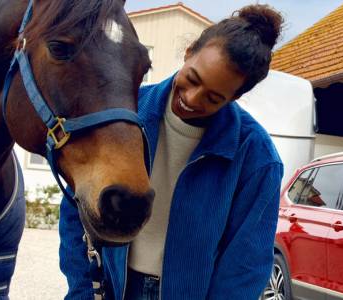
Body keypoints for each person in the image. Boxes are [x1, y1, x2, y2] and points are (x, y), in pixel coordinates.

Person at [59, 4, 284, 300]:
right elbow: (77, 207)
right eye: (192, 78)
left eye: (214, 98)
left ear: (236, 96)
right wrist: (82, 292)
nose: (191, 99)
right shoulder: (124, 114)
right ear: (189, 52)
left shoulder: (257, 157)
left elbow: (245, 265)